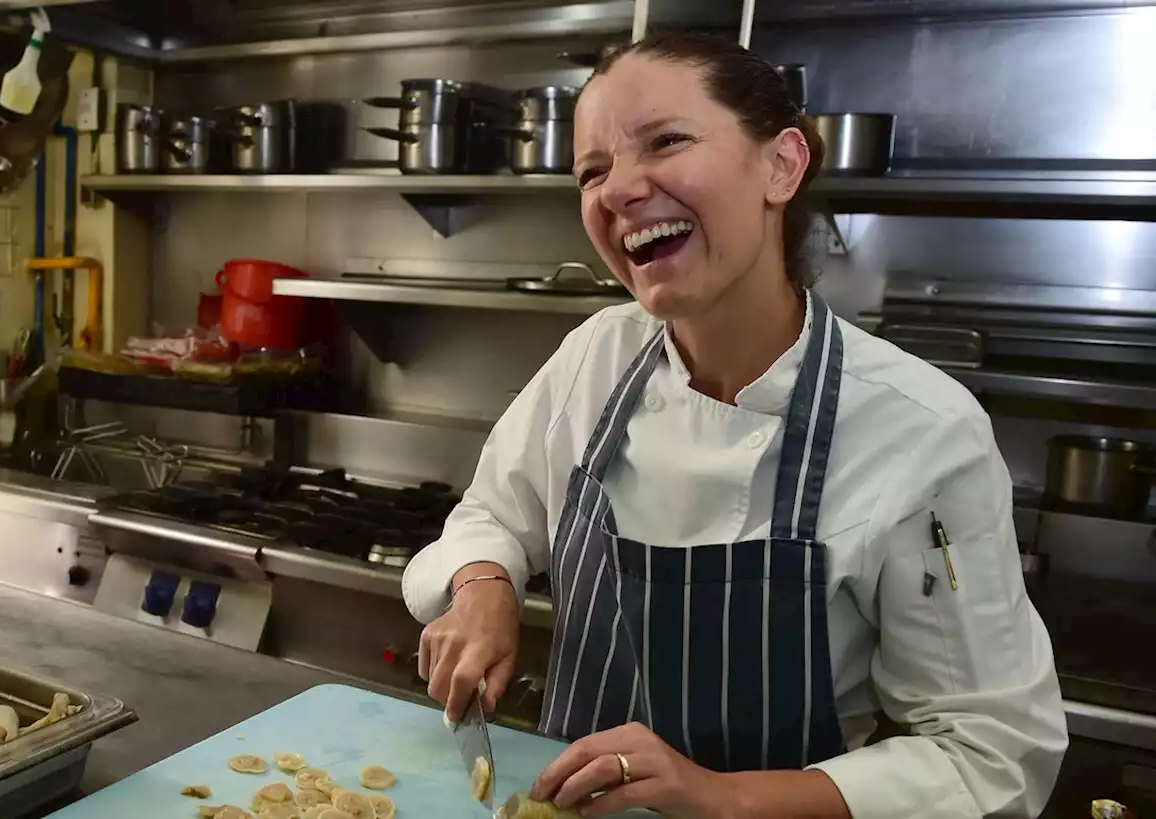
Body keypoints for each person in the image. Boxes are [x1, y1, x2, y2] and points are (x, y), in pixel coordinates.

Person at [402, 30, 1067, 819]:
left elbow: (993, 755)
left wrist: (720, 797)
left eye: (667, 141)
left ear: (781, 165)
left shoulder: (920, 428)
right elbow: (492, 517)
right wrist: (483, 586)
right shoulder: (596, 356)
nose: (618, 190)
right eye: (592, 172)